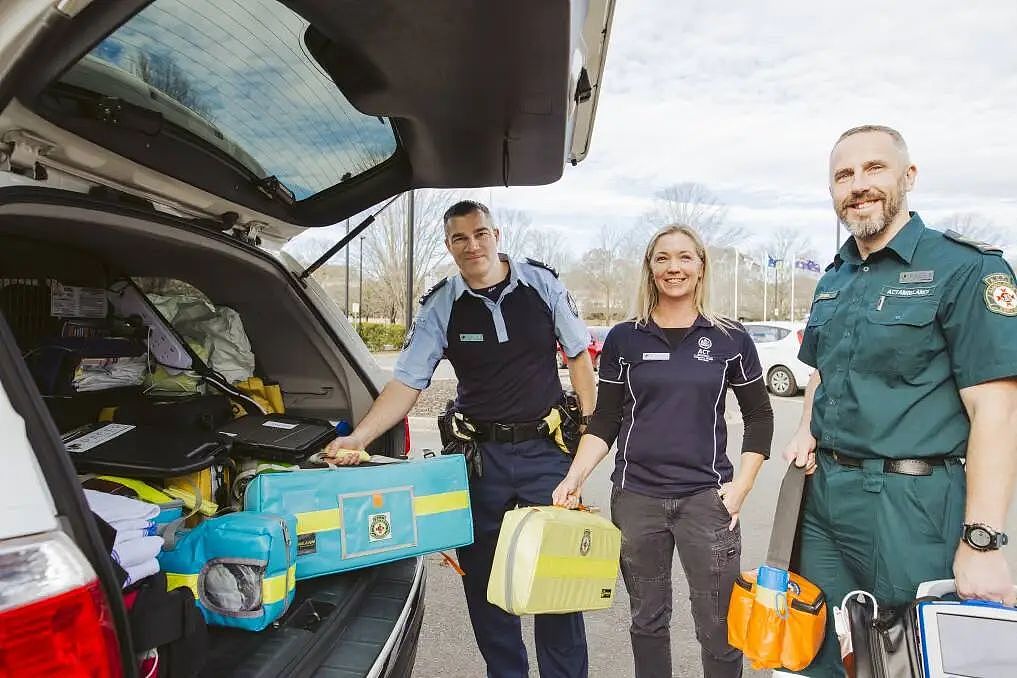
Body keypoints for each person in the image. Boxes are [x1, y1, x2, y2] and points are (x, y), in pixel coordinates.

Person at [323, 200, 597, 678]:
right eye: (459, 238)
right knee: (487, 583)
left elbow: (578, 356)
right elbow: (406, 382)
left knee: (557, 580)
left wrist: (589, 432)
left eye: (481, 233)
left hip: (545, 453)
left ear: (497, 234)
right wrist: (359, 438)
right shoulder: (441, 304)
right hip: (478, 462)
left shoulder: (542, 283)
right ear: (448, 245)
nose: (473, 245)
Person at [784, 124, 1017, 676]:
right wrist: (805, 430)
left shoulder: (967, 268)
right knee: (818, 654)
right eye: (844, 174)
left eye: (874, 169)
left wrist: (982, 540)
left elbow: (998, 410)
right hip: (826, 500)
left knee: (910, 659)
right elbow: (821, 368)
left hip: (912, 503)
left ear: (908, 177)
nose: (858, 184)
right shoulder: (834, 278)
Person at [553, 224, 774, 678]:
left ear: (701, 266)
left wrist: (742, 488)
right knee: (647, 622)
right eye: (663, 258)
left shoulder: (730, 338)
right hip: (637, 501)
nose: (674, 267)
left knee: (719, 625)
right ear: (650, 269)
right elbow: (606, 419)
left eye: (684, 257)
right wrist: (574, 477)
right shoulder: (623, 338)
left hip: (706, 502)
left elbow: (760, 417)